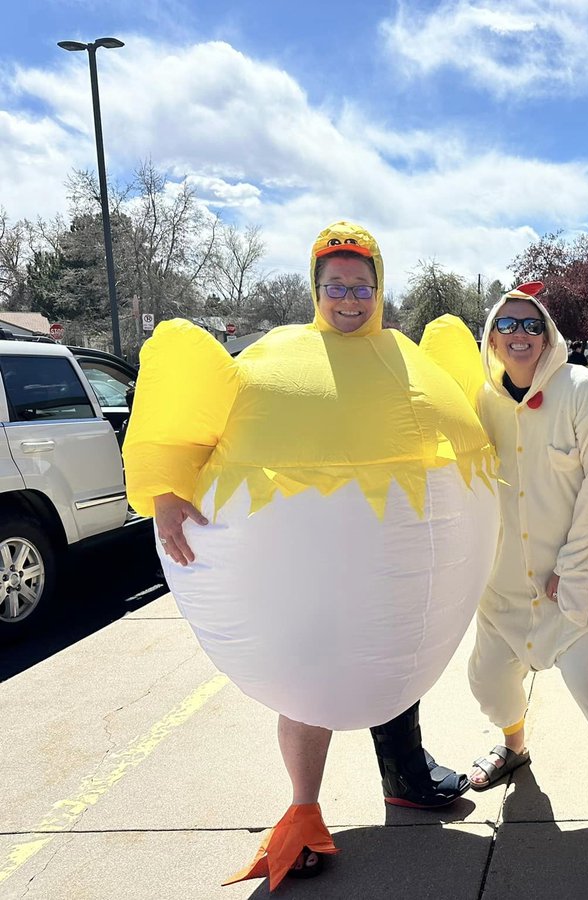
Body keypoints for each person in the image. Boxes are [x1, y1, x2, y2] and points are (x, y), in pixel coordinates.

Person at [123, 222, 498, 889]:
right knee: (306, 680)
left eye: (361, 286)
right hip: (307, 578)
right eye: (335, 287)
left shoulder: (412, 361)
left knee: (391, 649)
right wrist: (166, 491)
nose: (348, 299)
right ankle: (303, 808)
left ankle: (404, 775)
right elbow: (188, 411)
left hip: (390, 572)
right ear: (316, 289)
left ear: (379, 287)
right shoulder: (275, 360)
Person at [466, 282, 588, 817]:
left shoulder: (585, 390)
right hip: (505, 580)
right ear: (491, 338)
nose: (519, 335)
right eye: (507, 324)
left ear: (547, 335)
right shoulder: (483, 401)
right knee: (490, 678)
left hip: (579, 575)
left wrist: (572, 565)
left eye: (531, 325)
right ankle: (514, 747)